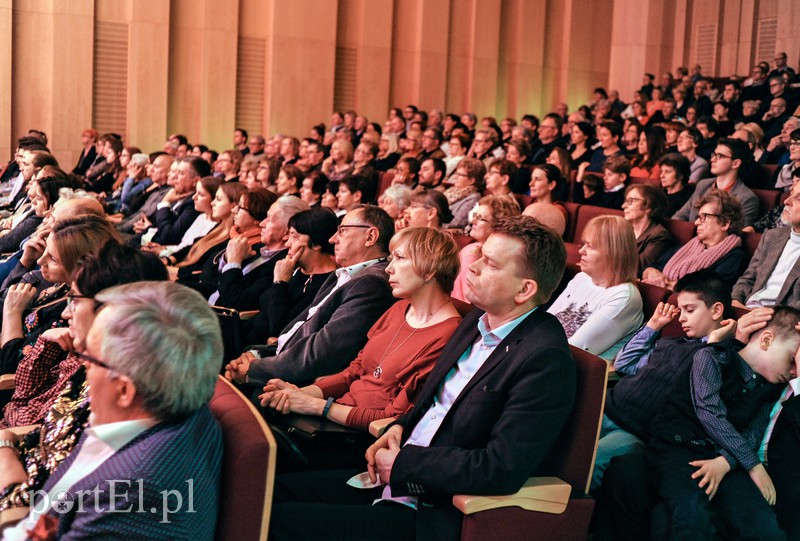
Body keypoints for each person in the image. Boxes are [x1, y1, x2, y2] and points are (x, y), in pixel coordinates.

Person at [269, 215, 576, 541]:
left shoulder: (544, 359)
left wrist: (404, 466)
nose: (472, 267)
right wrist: (400, 427)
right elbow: (431, 401)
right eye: (480, 255)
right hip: (394, 476)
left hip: (431, 508)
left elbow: (499, 467)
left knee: (276, 523)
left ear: (525, 289)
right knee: (271, 490)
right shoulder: (476, 321)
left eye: (491, 264)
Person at [0, 281, 224, 538]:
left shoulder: (130, 497)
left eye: (88, 358)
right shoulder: (160, 407)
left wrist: (5, 454)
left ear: (124, 390)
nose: (81, 366)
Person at [260, 227, 462, 467]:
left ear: (429, 269)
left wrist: (315, 406)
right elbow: (353, 373)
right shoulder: (398, 309)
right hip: (332, 418)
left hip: (358, 440)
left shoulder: (448, 334)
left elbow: (392, 418)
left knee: (265, 451)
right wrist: (297, 393)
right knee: (263, 402)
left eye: (400, 258)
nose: (388, 268)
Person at [648, 306, 800, 541]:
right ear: (767, 339)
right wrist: (753, 465)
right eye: (792, 360)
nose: (794, 372)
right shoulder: (711, 356)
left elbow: (754, 431)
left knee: (762, 525)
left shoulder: (771, 386)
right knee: (692, 516)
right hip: (677, 446)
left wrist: (726, 462)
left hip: (725, 457)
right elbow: (710, 414)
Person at [1, 243, 168, 430]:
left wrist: (5, 443)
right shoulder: (86, 351)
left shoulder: (107, 377)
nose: (66, 313)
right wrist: (44, 345)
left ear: (109, 310)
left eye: (74, 300)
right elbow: (21, 401)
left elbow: (27, 421)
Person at [225, 205, 396, 386]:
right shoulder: (345, 275)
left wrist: (255, 369)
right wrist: (257, 353)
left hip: (295, 383)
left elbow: (322, 352)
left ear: (370, 236)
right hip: (278, 363)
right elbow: (300, 330)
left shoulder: (370, 284)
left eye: (342, 231)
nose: (332, 239)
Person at [591, 271, 730, 493]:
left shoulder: (721, 357)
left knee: (589, 462)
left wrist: (714, 344)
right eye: (681, 309)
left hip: (635, 431)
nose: (681, 317)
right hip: (605, 410)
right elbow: (625, 364)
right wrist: (653, 326)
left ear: (716, 310)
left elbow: (703, 391)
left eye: (690, 310)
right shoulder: (672, 342)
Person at [0, 215, 120, 375]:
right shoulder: (60, 285)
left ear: (82, 266)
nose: (41, 260)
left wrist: (11, 313)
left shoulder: (74, 315)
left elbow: (10, 366)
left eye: (53, 259)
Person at [547, 215, 643, 360]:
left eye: (590, 246)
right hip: (548, 354)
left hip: (573, 370)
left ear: (612, 253)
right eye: (583, 244)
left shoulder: (624, 296)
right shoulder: (582, 278)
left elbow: (575, 348)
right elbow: (546, 322)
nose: (581, 251)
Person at [241, 207, 339, 346]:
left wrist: (280, 282)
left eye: (294, 236)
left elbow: (278, 328)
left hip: (262, 350)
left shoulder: (327, 285)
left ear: (316, 243)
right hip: (247, 334)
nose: (287, 243)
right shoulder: (296, 270)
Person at [644, 189, 746, 289]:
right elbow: (649, 268)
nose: (696, 222)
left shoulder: (734, 257)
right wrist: (653, 272)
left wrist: (666, 284)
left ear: (724, 224)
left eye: (704, 217)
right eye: (698, 217)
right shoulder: (687, 247)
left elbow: (708, 290)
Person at [732, 180, 800, 309]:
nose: (787, 201)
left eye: (799, 198)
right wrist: (736, 300)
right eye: (791, 193)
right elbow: (748, 279)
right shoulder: (772, 236)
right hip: (747, 309)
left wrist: (767, 315)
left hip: (780, 321)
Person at [672, 138, 759, 226]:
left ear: (735, 163)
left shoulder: (747, 198)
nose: (713, 159)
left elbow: (737, 234)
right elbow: (679, 217)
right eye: (714, 154)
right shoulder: (703, 185)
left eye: (719, 156)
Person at [452, 195, 520, 302]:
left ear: (497, 225)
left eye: (480, 218)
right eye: (475, 215)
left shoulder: (476, 257)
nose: (473, 221)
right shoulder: (472, 248)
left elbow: (471, 304)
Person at [621, 183, 674, 275]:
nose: (623, 206)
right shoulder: (622, 228)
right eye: (626, 201)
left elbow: (636, 268)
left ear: (649, 206)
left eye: (631, 201)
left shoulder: (659, 236)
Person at [522, 164, 567, 236]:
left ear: (551, 185)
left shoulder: (558, 210)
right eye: (531, 179)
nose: (531, 184)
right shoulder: (531, 205)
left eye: (537, 179)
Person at [443, 158, 484, 229]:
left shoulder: (473, 198)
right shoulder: (450, 192)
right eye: (456, 173)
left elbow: (456, 223)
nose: (455, 177)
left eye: (460, 175)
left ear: (471, 180)